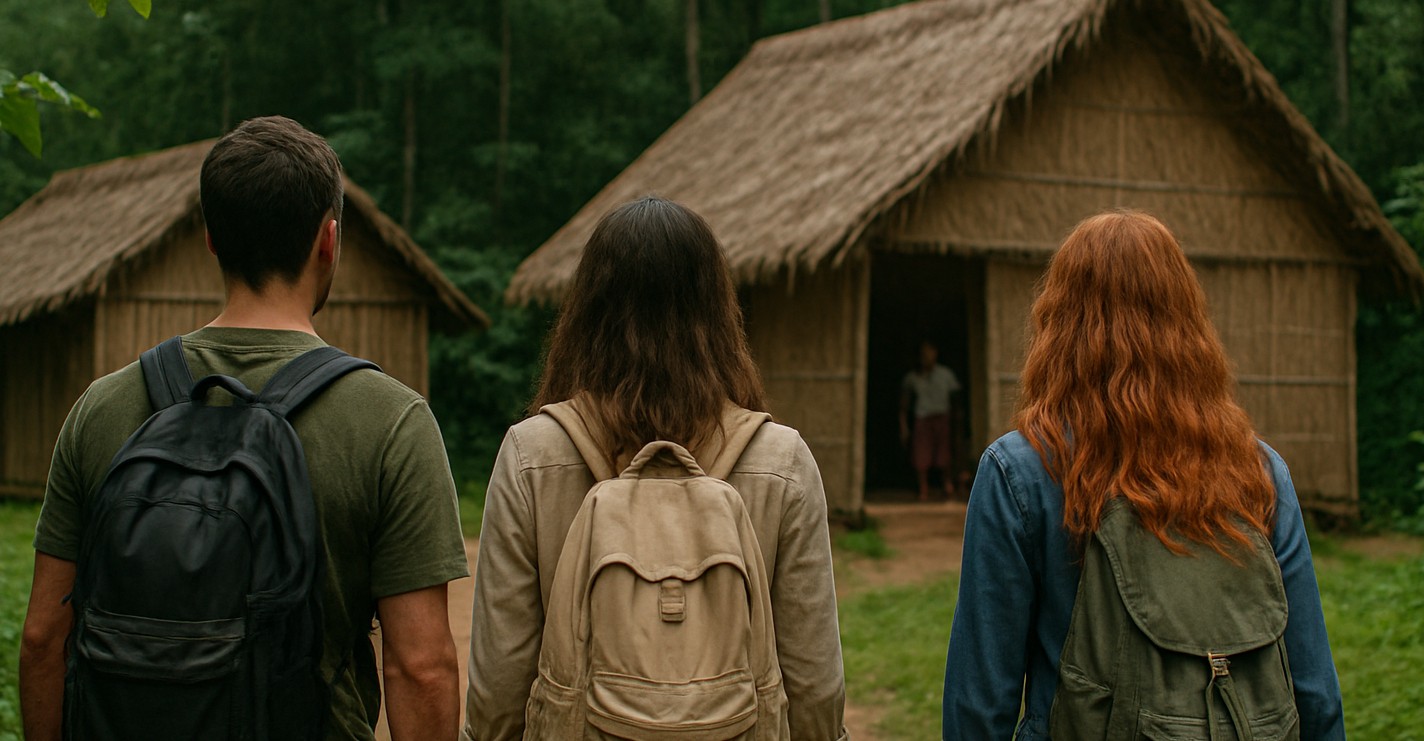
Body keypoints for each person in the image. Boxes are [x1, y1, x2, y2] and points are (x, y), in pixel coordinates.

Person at [19, 116, 468, 741]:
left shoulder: (104, 407)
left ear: (210, 238)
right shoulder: (391, 420)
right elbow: (420, 667)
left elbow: (44, 638)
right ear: (328, 241)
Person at [942, 211, 1344, 739]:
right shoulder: (1259, 471)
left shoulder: (1023, 470)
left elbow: (981, 700)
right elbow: (1312, 686)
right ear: (1188, 323)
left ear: (1059, 324)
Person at [462, 196, 848, 740]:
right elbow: (815, 683)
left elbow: (500, 684)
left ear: (585, 312)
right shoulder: (780, 462)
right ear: (718, 310)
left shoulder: (532, 456)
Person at [899, 340, 964, 500]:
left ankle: (947, 485)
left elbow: (956, 400)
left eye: (930, 353)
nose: (926, 357)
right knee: (921, 453)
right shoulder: (912, 378)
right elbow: (904, 405)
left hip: (942, 417)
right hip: (922, 418)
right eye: (923, 354)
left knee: (944, 452)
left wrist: (958, 422)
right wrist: (904, 426)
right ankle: (924, 489)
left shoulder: (945, 375)